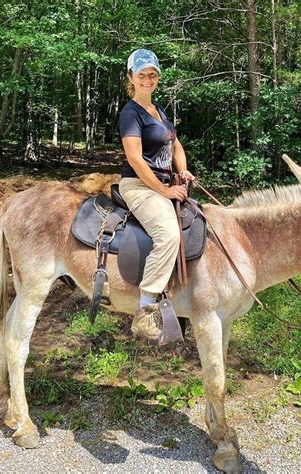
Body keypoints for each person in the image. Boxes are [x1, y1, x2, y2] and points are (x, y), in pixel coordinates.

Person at [118, 49, 194, 342]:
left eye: (152, 75)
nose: (147, 80)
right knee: (168, 235)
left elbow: (175, 145)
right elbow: (136, 159)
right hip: (138, 185)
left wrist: (183, 171)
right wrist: (164, 190)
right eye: (141, 75)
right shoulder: (131, 113)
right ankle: (145, 309)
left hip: (163, 183)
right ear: (131, 78)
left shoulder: (158, 111)